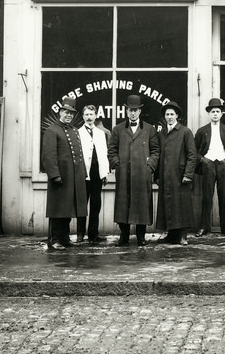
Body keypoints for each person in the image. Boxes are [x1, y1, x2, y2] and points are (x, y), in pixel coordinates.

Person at [107, 93, 160, 246]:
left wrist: (149, 167)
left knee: (141, 204)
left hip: (142, 174)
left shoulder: (149, 129)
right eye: (130, 110)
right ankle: (124, 236)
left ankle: (141, 236)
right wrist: (117, 164)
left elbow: (156, 151)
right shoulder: (118, 129)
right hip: (124, 174)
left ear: (140, 111)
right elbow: (112, 150)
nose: (132, 112)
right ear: (126, 110)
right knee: (124, 205)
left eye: (135, 110)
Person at [40, 97, 88, 250]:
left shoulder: (73, 130)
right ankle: (54, 240)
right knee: (57, 211)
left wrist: (82, 174)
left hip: (73, 178)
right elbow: (48, 155)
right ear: (60, 112)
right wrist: (54, 175)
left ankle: (65, 238)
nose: (68, 115)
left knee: (68, 210)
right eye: (66, 112)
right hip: (60, 177)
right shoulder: (52, 130)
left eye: (71, 113)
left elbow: (79, 155)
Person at [194, 97, 225, 237]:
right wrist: (202, 160)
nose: (215, 114)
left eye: (218, 111)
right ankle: (204, 227)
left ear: (221, 114)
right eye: (213, 111)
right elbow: (193, 150)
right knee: (207, 196)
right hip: (208, 165)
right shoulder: (202, 131)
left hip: (223, 164)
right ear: (209, 113)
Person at [154, 100, 198, 244]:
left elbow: (192, 155)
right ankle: (171, 234)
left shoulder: (185, 132)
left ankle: (183, 235)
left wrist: (188, 174)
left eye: (172, 114)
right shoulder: (161, 134)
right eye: (167, 114)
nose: (170, 117)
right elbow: (157, 154)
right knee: (168, 204)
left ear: (177, 116)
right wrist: (157, 176)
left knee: (181, 204)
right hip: (165, 175)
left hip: (179, 175)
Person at [77, 104, 111, 244]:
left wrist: (105, 173)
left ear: (95, 116)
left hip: (97, 173)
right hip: (84, 173)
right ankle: (80, 233)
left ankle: (93, 233)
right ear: (83, 116)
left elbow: (104, 154)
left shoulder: (101, 133)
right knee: (82, 204)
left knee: (96, 204)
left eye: (91, 114)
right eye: (86, 114)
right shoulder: (77, 133)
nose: (89, 117)